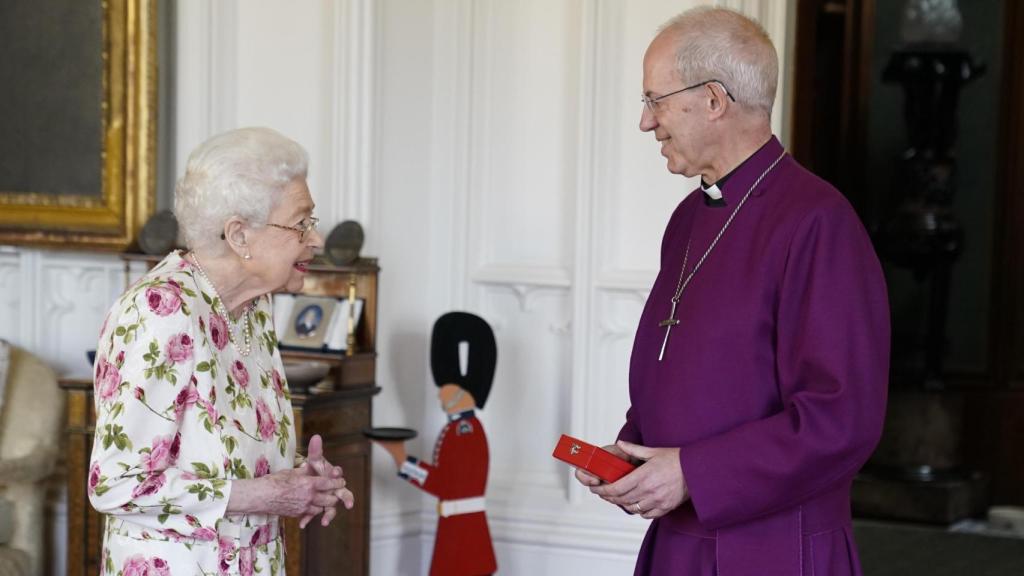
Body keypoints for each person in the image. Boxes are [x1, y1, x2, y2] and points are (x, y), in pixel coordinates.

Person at [574, 7, 889, 576]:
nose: (647, 122)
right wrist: (634, 453)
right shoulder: (687, 218)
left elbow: (842, 418)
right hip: (677, 544)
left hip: (772, 550)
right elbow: (694, 371)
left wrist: (693, 473)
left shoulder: (819, 221)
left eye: (655, 100)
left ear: (714, 100)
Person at [88, 127, 355, 575]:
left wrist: (299, 480)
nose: (317, 239)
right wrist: (267, 495)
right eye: (301, 222)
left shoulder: (253, 307)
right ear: (239, 236)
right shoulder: (162, 311)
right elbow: (116, 483)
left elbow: (221, 453)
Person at [373, 312, 498, 576]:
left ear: (462, 393)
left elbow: (446, 484)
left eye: (447, 387)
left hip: (464, 532)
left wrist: (404, 462)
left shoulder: (465, 431)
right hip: (457, 527)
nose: (440, 392)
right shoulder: (458, 428)